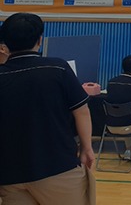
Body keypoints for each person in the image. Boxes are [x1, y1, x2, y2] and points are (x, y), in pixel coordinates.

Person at [0, 13, 95, 204]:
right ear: (40, 40)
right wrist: (87, 147)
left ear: (5, 43)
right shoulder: (57, 68)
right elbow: (81, 110)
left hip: (9, 174)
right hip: (57, 167)